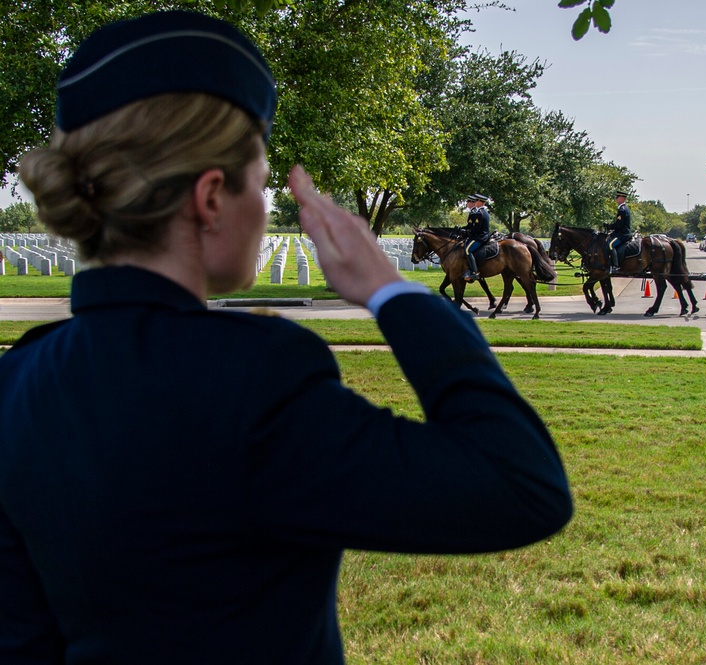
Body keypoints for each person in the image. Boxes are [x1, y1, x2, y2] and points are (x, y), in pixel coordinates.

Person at [0, 11, 572, 665]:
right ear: (212, 196)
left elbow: (22, 642)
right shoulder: (259, 379)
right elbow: (520, 483)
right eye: (264, 177)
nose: (268, 204)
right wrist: (397, 294)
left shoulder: (17, 384)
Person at [461, 193, 491, 281]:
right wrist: (462, 229)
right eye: (475, 201)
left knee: (467, 250)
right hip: (476, 235)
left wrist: (467, 231)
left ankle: (474, 272)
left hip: (480, 237)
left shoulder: (482, 213)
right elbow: (470, 226)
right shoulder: (476, 212)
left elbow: (477, 229)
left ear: (482, 203)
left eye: (477, 201)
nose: (475, 202)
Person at [606, 190, 632, 273]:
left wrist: (609, 226)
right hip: (621, 233)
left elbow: (619, 225)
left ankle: (616, 267)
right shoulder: (623, 208)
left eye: (617, 197)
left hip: (623, 234)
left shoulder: (622, 210)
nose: (616, 198)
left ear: (622, 198)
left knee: (610, 245)